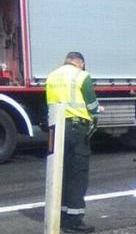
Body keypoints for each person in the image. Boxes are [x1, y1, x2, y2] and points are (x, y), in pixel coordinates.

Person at [46, 52, 100, 233]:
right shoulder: (81, 76)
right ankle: (74, 220)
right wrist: (96, 113)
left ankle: (59, 216)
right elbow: (92, 105)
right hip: (77, 130)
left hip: (57, 129)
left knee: (61, 172)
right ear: (81, 63)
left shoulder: (52, 76)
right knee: (78, 174)